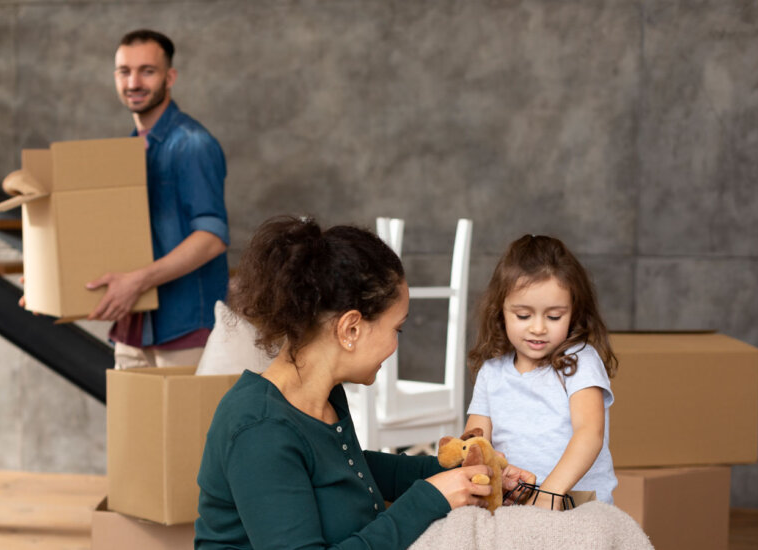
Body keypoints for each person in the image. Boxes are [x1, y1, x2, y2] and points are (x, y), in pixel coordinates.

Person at [195, 216, 535, 549]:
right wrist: (430, 499)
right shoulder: (260, 429)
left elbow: (352, 470)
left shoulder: (322, 398)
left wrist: (470, 473)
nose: (395, 345)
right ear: (350, 329)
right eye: (396, 329)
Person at [86, 29, 229, 368]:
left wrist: (137, 281)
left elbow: (211, 238)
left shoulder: (193, 144)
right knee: (129, 424)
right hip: (132, 328)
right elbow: (116, 237)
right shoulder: (129, 149)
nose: (134, 82)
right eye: (124, 71)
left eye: (147, 71)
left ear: (170, 76)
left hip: (183, 329)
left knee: (188, 424)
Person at [464, 234, 619, 507]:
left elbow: (589, 433)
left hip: (577, 503)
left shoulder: (580, 360)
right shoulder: (492, 373)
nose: (538, 328)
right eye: (523, 316)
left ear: (573, 312)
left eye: (554, 316)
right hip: (513, 505)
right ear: (500, 311)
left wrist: (549, 494)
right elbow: (477, 444)